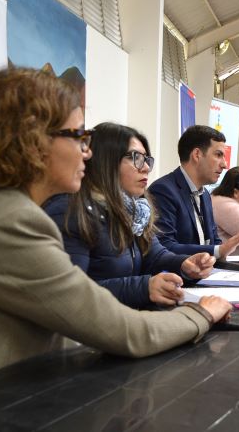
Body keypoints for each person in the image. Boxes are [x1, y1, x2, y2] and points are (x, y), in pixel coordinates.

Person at [0, 68, 231, 431]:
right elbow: (121, 330)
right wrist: (201, 314)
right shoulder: (10, 224)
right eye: (78, 136)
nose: (88, 151)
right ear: (32, 141)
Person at [44, 122, 216, 309]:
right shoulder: (72, 211)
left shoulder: (135, 210)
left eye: (146, 160)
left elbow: (154, 254)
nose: (145, 168)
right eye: (136, 158)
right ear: (106, 160)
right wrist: (143, 288)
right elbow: (72, 294)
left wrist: (184, 264)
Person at [148, 125, 239, 258]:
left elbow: (214, 241)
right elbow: (165, 246)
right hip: (179, 276)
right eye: (218, 155)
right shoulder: (163, 191)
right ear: (197, 155)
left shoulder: (205, 194)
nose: (224, 165)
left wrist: (221, 249)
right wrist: (218, 251)